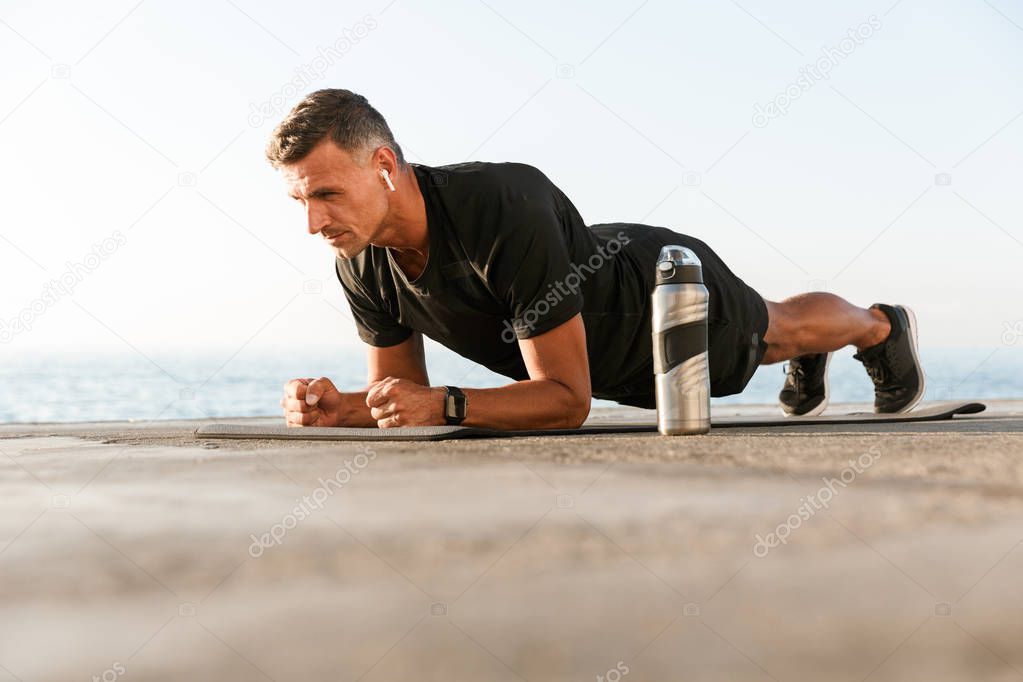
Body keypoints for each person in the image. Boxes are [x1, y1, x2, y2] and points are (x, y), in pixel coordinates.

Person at [270, 89, 925, 429]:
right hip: (598, 334)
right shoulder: (358, 257)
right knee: (777, 337)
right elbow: (402, 399)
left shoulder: (499, 205)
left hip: (656, 299)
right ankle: (819, 345)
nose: (312, 222)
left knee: (774, 333)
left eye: (326, 193)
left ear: (383, 165)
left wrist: (446, 406)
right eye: (300, 200)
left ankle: (876, 327)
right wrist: (347, 408)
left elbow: (564, 400)